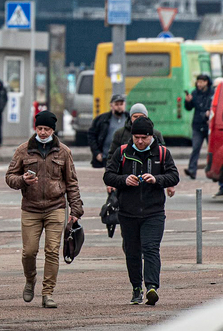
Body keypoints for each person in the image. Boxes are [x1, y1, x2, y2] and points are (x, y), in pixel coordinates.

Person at [6, 110, 83, 309]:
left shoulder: (64, 152)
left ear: (52, 130)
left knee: (52, 251)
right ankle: (30, 279)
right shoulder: (23, 150)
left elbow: (72, 182)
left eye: (46, 129)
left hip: (55, 207)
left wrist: (76, 209)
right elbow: (10, 177)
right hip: (30, 208)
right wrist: (22, 180)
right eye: (39, 128)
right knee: (29, 252)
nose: (42, 132)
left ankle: (48, 292)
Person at [103, 117, 179, 306]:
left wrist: (156, 179)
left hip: (154, 212)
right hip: (128, 212)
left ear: (151, 136)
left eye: (143, 138)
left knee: (151, 248)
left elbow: (173, 176)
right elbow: (108, 175)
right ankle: (136, 288)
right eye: (136, 137)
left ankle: (152, 287)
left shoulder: (162, 153)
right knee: (132, 252)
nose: (139, 141)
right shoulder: (123, 152)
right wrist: (124, 180)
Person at [107, 103, 174, 198]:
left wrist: (158, 180)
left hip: (154, 203)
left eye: (144, 138)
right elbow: (111, 164)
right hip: (127, 201)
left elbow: (169, 170)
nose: (140, 141)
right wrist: (122, 180)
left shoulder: (157, 138)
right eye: (135, 116)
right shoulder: (120, 135)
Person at [184, 74, 213, 182]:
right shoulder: (194, 93)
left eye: (201, 82)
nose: (199, 84)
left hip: (209, 125)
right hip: (197, 125)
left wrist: (209, 112)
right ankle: (192, 170)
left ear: (206, 82)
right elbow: (189, 108)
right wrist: (188, 101)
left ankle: (212, 170)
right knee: (196, 147)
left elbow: (215, 105)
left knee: (212, 149)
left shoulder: (212, 93)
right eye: (198, 82)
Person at [88, 94, 127, 168]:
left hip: (125, 157)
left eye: (121, 104)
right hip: (107, 157)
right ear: (111, 105)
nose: (119, 106)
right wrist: (96, 152)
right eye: (116, 104)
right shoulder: (102, 119)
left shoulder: (129, 119)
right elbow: (91, 136)